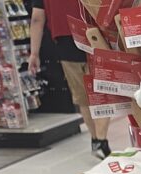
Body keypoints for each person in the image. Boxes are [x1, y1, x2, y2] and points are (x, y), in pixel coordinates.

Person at [28, 0, 111, 158]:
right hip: (93, 35)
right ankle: (102, 140)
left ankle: (95, 139)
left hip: (65, 42)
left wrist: (34, 53)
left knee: (82, 96)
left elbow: (37, 18)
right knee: (102, 91)